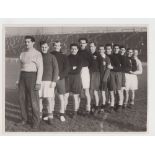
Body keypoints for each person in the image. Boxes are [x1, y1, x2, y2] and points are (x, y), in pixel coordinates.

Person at [16, 35, 43, 129]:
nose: (27, 43)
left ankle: (36, 121)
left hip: (32, 77)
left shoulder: (37, 54)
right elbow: (20, 68)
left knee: (33, 100)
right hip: (22, 77)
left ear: (33, 42)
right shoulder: (22, 53)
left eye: (28, 42)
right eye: (25, 42)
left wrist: (38, 82)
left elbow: (40, 69)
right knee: (21, 99)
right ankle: (24, 119)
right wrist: (18, 79)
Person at [39, 41, 59, 125]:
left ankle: (50, 117)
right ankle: (39, 116)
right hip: (39, 81)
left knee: (49, 100)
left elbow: (56, 70)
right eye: (42, 47)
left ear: (48, 48)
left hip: (49, 82)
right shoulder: (38, 56)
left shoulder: (52, 57)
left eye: (45, 47)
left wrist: (54, 81)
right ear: (40, 47)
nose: (44, 48)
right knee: (39, 99)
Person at [51, 41, 69, 122]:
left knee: (61, 97)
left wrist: (60, 76)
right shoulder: (50, 54)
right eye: (55, 45)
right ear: (53, 46)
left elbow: (67, 68)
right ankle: (50, 113)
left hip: (60, 79)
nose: (57, 46)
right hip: (51, 79)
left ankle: (62, 114)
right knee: (51, 97)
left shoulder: (64, 56)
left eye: (58, 45)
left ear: (60, 46)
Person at [78, 38, 93, 115]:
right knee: (78, 91)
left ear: (86, 44)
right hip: (77, 71)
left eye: (83, 43)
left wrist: (86, 70)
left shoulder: (88, 53)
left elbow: (91, 64)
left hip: (85, 71)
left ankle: (88, 108)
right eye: (80, 43)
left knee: (86, 90)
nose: (82, 44)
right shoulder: (77, 51)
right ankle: (77, 108)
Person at [105, 44, 122, 113]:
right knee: (111, 90)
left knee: (118, 90)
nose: (107, 50)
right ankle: (112, 106)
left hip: (115, 74)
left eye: (109, 49)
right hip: (108, 74)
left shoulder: (114, 57)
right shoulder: (104, 56)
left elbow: (119, 67)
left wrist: (112, 67)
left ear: (111, 49)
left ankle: (119, 105)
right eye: (106, 49)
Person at [67, 43, 82, 117]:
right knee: (68, 95)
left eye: (75, 49)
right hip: (69, 78)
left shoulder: (80, 58)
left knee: (75, 96)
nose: (73, 50)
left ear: (77, 50)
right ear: (70, 49)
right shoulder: (67, 57)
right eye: (72, 49)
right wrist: (71, 68)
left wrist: (71, 69)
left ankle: (75, 112)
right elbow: (67, 69)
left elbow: (78, 70)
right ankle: (64, 110)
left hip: (76, 78)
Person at [98, 45, 111, 112]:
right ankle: (101, 104)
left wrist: (104, 78)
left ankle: (104, 105)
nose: (100, 50)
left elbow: (108, 68)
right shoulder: (97, 57)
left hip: (104, 78)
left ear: (104, 50)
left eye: (102, 49)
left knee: (104, 91)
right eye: (99, 49)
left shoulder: (107, 58)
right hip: (98, 77)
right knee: (99, 92)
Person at [89, 42, 101, 114]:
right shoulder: (89, 54)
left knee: (95, 91)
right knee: (91, 91)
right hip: (90, 74)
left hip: (96, 74)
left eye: (92, 46)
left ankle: (97, 107)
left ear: (95, 47)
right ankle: (92, 106)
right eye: (90, 46)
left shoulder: (98, 55)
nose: (91, 48)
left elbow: (101, 66)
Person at [112, 44, 124, 112]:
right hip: (112, 73)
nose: (116, 49)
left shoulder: (122, 57)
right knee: (113, 90)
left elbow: (122, 67)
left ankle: (120, 104)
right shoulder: (111, 56)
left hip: (119, 74)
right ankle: (114, 103)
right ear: (113, 49)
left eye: (117, 48)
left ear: (119, 49)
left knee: (119, 90)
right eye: (115, 48)